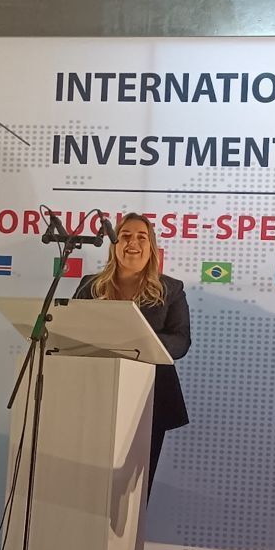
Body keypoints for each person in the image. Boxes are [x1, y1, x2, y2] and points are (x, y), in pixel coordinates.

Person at [73, 213, 190, 497]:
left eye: (141, 237)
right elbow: (72, 331)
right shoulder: (90, 285)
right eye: (125, 236)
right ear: (114, 244)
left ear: (151, 247)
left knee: (133, 494)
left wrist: (136, 341)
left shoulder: (171, 289)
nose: (132, 243)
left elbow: (180, 342)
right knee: (89, 488)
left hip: (150, 398)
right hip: (95, 395)